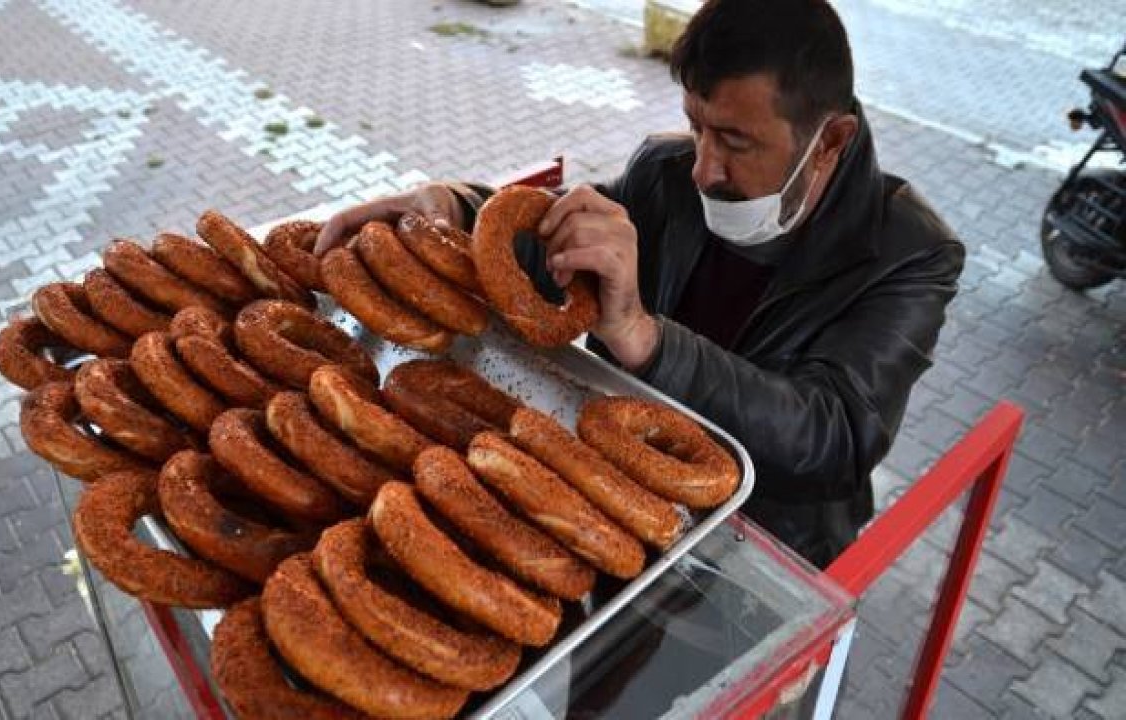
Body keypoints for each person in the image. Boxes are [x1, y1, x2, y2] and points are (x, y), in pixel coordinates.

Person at [314, 0, 964, 568]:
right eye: (697, 124)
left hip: (766, 544)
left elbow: (834, 437)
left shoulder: (907, 253)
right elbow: (558, 246)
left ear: (831, 141)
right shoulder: (665, 170)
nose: (705, 168)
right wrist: (452, 208)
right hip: (615, 495)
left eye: (735, 141)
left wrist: (643, 338)